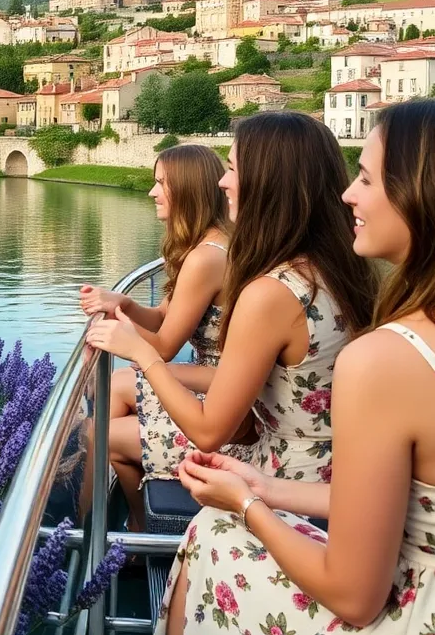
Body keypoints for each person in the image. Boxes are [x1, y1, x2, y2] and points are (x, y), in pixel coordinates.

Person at [156, 96, 435, 635]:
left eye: (365, 178)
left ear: (427, 199)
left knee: (213, 535)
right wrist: (267, 487)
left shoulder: (389, 358)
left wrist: (244, 505)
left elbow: (355, 597)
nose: (347, 194)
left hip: (433, 618)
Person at [86, 113, 377, 484]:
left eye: (233, 169)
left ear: (267, 183)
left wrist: (140, 352)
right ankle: (129, 523)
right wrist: (126, 310)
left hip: (286, 475)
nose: (222, 182)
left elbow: (209, 431)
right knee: (117, 399)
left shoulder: (273, 291)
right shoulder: (331, 268)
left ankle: (99, 534)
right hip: (329, 465)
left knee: (96, 429)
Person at [78, 144, 249, 524]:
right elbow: (160, 318)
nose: (152, 192)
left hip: (222, 400)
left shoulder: (207, 256)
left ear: (186, 191)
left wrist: (118, 329)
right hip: (215, 385)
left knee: (95, 430)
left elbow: (164, 347)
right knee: (108, 390)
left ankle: (88, 532)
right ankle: (132, 525)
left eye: (160, 184)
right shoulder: (210, 242)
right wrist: (121, 303)